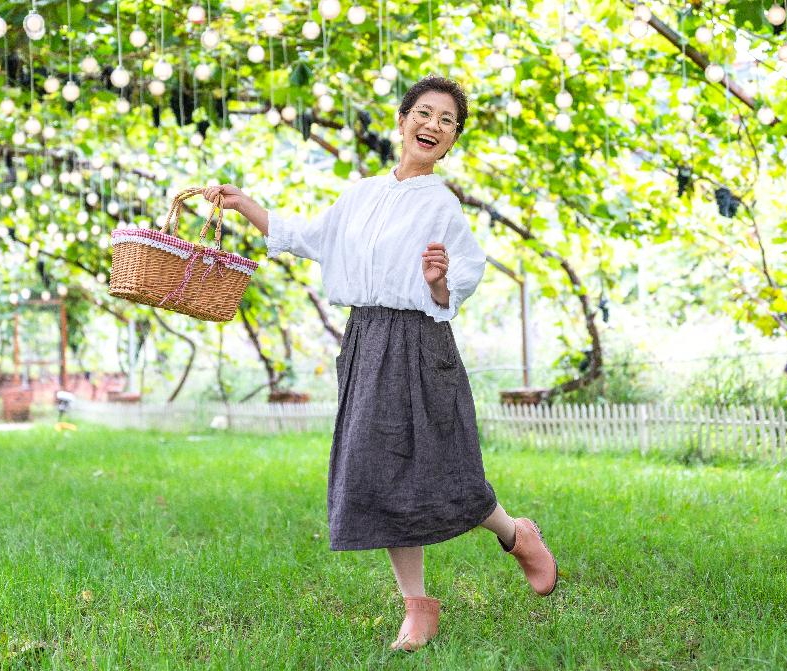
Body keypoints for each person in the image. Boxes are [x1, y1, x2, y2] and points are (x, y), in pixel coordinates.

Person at [202, 75, 556, 652]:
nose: (432, 125)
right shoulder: (360, 194)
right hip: (366, 339)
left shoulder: (443, 205)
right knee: (378, 470)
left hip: (421, 342)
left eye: (446, 121)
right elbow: (306, 236)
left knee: (446, 468)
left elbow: (460, 282)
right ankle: (417, 607)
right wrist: (245, 205)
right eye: (424, 112)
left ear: (452, 140)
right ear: (402, 121)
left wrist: (439, 283)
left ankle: (517, 535)